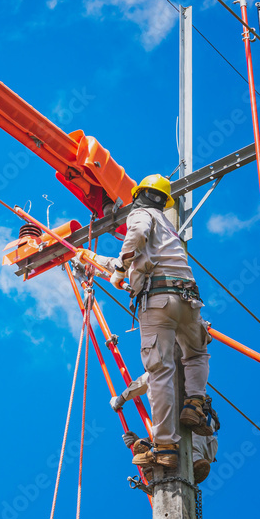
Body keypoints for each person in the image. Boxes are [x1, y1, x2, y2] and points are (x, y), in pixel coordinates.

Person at [93, 174, 218, 482]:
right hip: (189, 299)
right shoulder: (170, 230)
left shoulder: (142, 215)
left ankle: (164, 446)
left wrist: (121, 269)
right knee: (197, 353)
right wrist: (109, 266)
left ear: (141, 196)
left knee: (160, 371)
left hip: (158, 301)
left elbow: (134, 238)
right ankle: (194, 402)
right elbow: (142, 257)